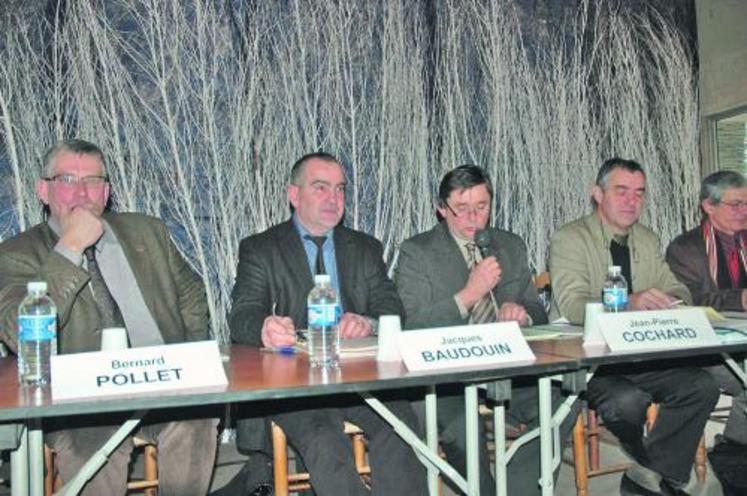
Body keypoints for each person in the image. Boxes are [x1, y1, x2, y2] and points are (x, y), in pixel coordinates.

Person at [0, 139, 217, 495]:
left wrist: (187, 355)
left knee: (196, 419)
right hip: (77, 404)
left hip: (160, 386)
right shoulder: (16, 255)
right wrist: (69, 249)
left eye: (94, 182)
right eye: (67, 180)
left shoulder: (147, 232)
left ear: (107, 191)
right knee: (95, 449)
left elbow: (191, 291)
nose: (82, 193)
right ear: (43, 189)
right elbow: (17, 332)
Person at [227, 152, 426, 496]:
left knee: (400, 426)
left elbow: (391, 308)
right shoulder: (261, 249)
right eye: (321, 188)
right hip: (295, 385)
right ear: (294, 195)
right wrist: (265, 327)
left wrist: (367, 321)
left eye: (340, 189)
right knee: (324, 439)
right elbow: (242, 314)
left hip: (359, 379)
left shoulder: (365, 248)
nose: (334, 199)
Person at [395, 164, 574, 495]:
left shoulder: (509, 244)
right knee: (463, 425)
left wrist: (522, 315)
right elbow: (411, 326)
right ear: (441, 208)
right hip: (449, 374)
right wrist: (468, 296)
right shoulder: (416, 252)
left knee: (567, 397)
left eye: (481, 208)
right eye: (461, 209)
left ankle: (522, 488)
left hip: (509, 366)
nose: (473, 219)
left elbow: (538, 310)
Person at [550, 157, 720, 495]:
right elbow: (571, 305)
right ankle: (654, 468)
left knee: (701, 386)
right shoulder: (570, 237)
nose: (632, 201)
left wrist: (669, 300)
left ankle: (647, 471)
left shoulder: (647, 238)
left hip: (640, 350)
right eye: (622, 191)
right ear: (597, 193)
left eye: (640, 193)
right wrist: (628, 302)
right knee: (626, 402)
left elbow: (678, 289)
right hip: (591, 357)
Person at [666, 170, 747, 446]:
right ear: (708, 206)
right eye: (735, 204)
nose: (743, 211)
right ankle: (734, 449)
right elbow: (688, 303)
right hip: (707, 347)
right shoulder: (685, 249)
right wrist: (741, 300)